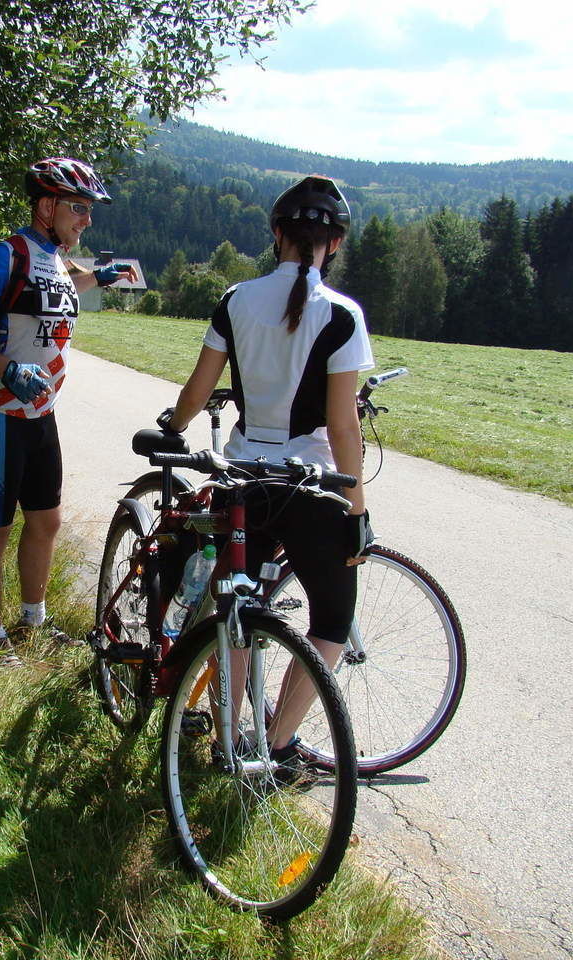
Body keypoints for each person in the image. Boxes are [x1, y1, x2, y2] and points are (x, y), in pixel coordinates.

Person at [160, 174, 374, 776]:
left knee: (234, 610)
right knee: (331, 619)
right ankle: (277, 740)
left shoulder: (235, 300)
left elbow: (198, 393)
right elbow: (341, 426)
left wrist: (172, 424)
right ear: (333, 245)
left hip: (242, 479)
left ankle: (227, 740)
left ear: (277, 235)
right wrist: (355, 508)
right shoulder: (342, 315)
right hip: (308, 485)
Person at [0, 157, 138, 662]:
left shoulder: (56, 259)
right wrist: (6, 369)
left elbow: (60, 287)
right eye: (79, 208)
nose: (87, 219)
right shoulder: (4, 258)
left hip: (41, 418)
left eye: (90, 210)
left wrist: (102, 277)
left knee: (46, 523)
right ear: (47, 205)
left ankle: (33, 622)